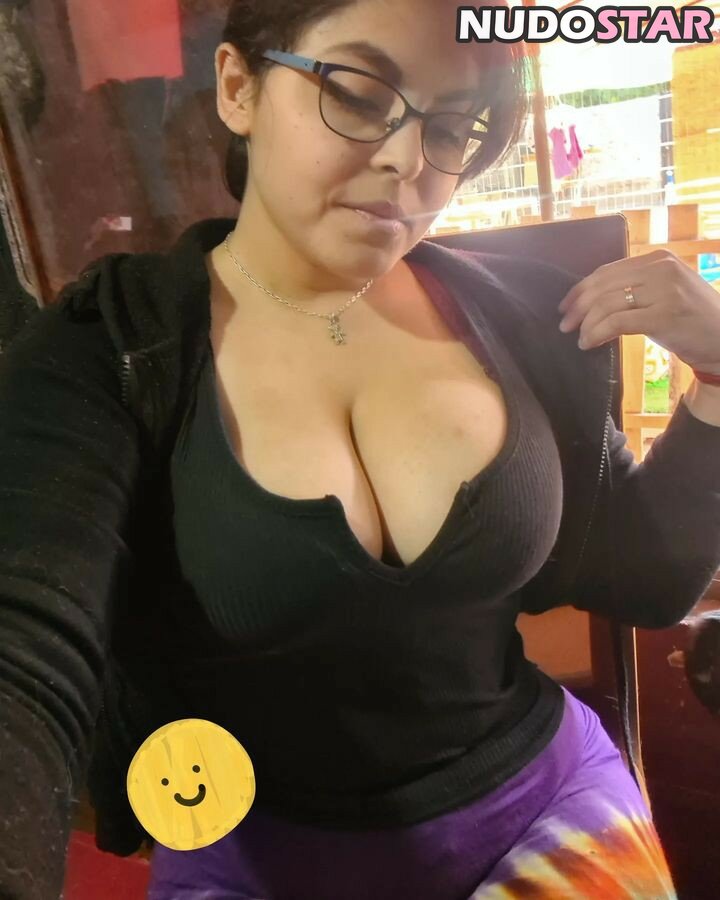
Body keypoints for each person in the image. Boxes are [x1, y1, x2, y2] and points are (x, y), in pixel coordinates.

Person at [2, 1, 720, 898]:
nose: (408, 162)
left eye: (453, 127)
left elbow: (646, 579)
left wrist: (717, 376)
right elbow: (24, 647)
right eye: (358, 91)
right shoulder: (107, 351)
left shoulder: (528, 317)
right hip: (256, 850)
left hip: (542, 803)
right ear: (238, 86)